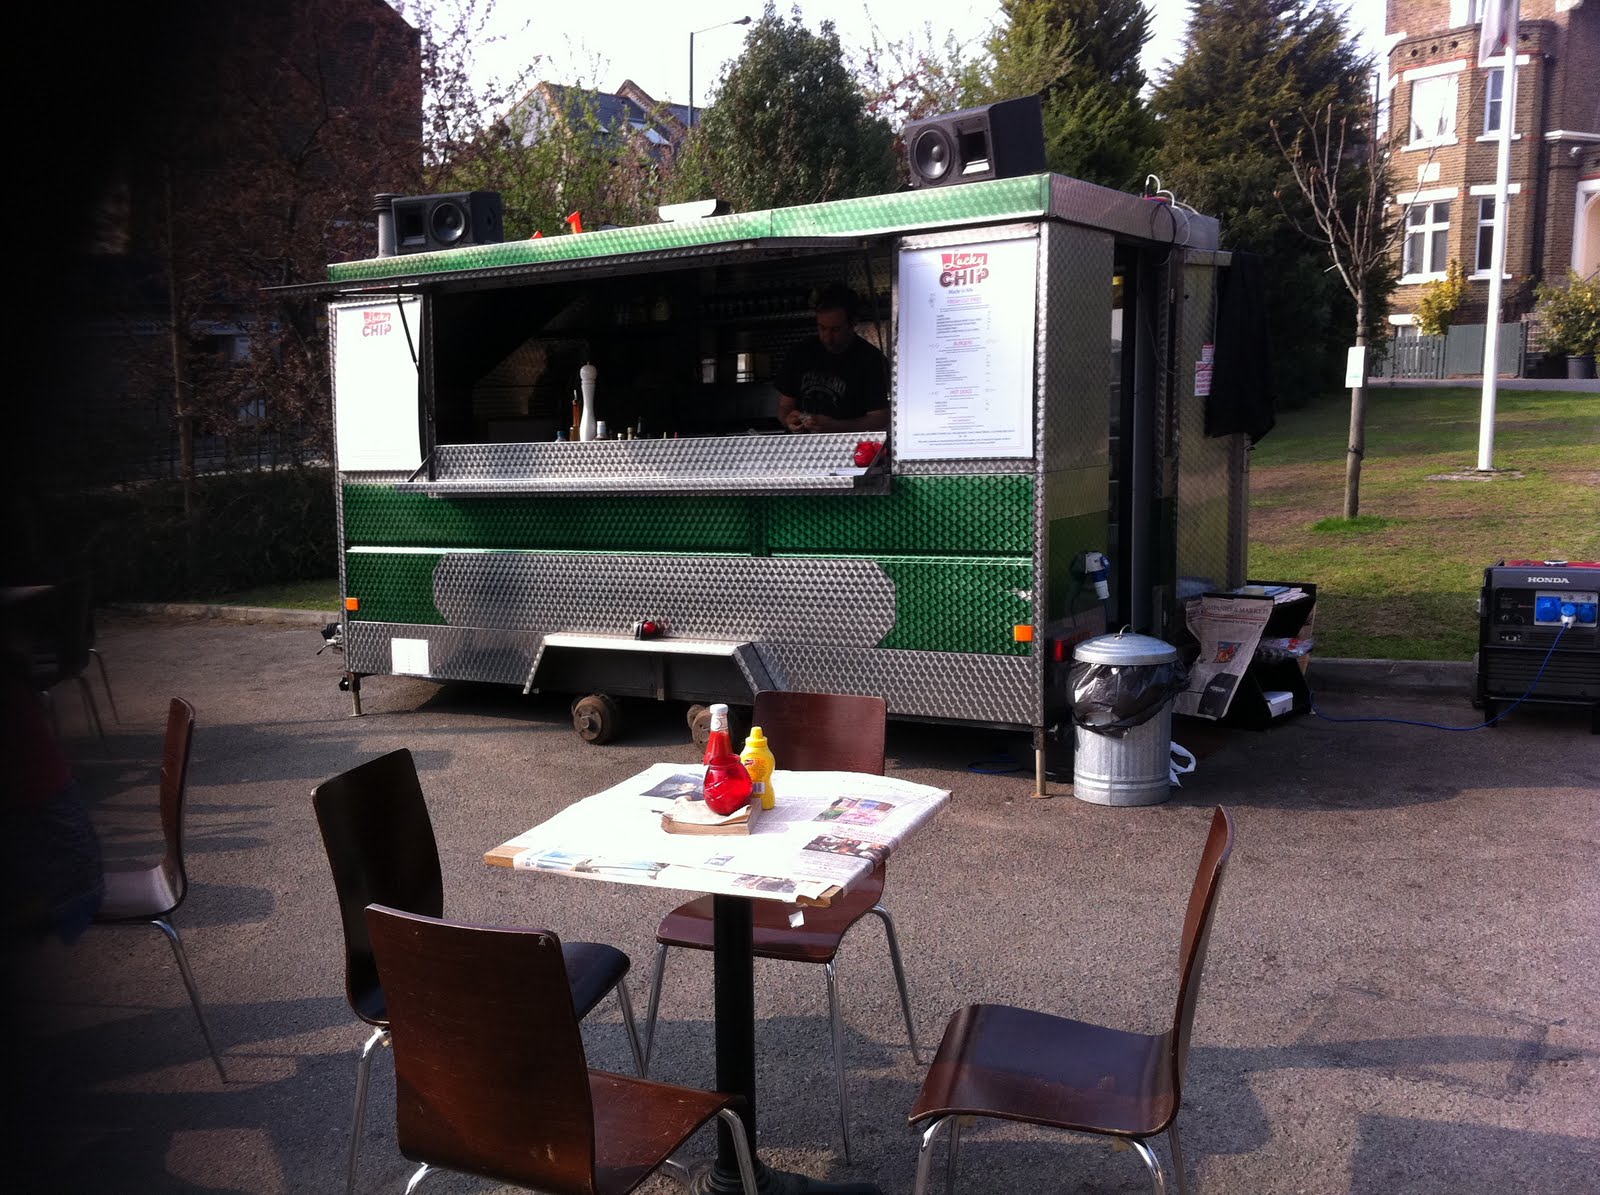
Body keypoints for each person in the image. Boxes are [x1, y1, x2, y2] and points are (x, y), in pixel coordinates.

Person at [775, 284, 890, 433]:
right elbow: (784, 406)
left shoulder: (871, 359)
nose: (827, 338)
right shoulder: (800, 352)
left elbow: (880, 418)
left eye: (836, 330)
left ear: (853, 323)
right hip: (800, 447)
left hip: (849, 448)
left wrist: (835, 426)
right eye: (822, 328)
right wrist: (789, 420)